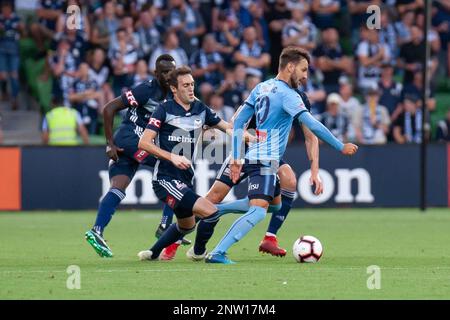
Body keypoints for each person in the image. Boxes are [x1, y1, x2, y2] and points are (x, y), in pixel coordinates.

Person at [203, 47, 358, 264]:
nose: (306, 76)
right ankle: (218, 252)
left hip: (253, 156)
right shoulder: (289, 95)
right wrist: (340, 146)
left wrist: (237, 157)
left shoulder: (261, 87)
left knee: (275, 205)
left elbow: (238, 122)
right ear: (290, 67)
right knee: (258, 212)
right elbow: (312, 126)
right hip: (264, 160)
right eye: (303, 70)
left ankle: (217, 210)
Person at [84, 54, 182, 258]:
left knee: (118, 187)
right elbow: (109, 108)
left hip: (134, 144)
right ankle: (165, 226)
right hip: (131, 138)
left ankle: (97, 230)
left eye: (171, 71)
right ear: (156, 73)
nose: (168, 75)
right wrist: (109, 143)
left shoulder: (174, 94)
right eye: (164, 72)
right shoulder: (146, 89)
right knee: (172, 166)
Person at [135, 66, 233, 261]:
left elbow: (228, 128)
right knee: (211, 212)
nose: (191, 89)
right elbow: (143, 142)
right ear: (174, 88)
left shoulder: (201, 109)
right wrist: (172, 157)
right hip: (165, 178)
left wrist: (249, 135)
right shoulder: (163, 110)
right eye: (186, 85)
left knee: (186, 226)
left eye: (192, 85)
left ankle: (153, 253)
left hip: (185, 178)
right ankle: (198, 253)